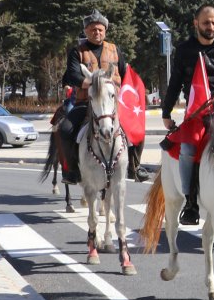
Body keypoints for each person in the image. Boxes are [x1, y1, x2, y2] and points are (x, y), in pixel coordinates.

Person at [162, 4, 214, 225]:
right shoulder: (185, 49)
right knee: (188, 149)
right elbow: (175, 84)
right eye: (206, 22)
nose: (211, 27)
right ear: (196, 23)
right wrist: (166, 111)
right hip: (196, 114)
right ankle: (190, 204)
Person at [57, 10, 148, 183]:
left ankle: (134, 167)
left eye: (100, 29)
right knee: (65, 130)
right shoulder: (77, 52)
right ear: (86, 31)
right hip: (87, 102)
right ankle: (72, 171)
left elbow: (124, 72)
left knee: (138, 130)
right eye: (92, 29)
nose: (97, 32)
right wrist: (94, 84)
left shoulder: (114, 50)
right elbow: (74, 75)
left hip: (113, 104)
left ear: (105, 30)